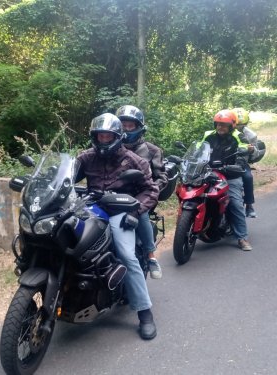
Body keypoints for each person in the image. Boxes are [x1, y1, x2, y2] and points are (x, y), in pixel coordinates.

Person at [75, 113, 159, 340]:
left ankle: (144, 313)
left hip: (120, 210)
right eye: (99, 136)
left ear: (117, 136)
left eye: (107, 136)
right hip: (91, 208)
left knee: (126, 255)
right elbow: (65, 177)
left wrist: (135, 211)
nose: (103, 140)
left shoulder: (134, 160)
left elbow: (151, 190)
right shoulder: (86, 158)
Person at [115, 105, 168, 279]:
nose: (127, 129)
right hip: (113, 194)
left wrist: (150, 191)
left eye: (131, 126)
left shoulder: (153, 150)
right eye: (124, 126)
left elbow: (162, 177)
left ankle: (150, 255)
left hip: (141, 195)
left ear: (139, 127)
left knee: (140, 211)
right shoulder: (111, 146)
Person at [200, 109, 254, 251]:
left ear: (231, 126)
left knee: (235, 203)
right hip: (208, 173)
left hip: (230, 175)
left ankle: (242, 237)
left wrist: (238, 165)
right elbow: (199, 151)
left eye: (223, 125)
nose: (220, 127)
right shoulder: (208, 136)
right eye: (218, 124)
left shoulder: (239, 137)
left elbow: (243, 155)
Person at [232, 107, 257, 218]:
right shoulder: (224, 130)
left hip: (241, 163)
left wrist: (252, 151)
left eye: (242, 125)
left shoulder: (251, 135)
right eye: (236, 124)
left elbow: (255, 153)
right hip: (222, 161)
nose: (238, 127)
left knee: (248, 177)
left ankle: (249, 205)